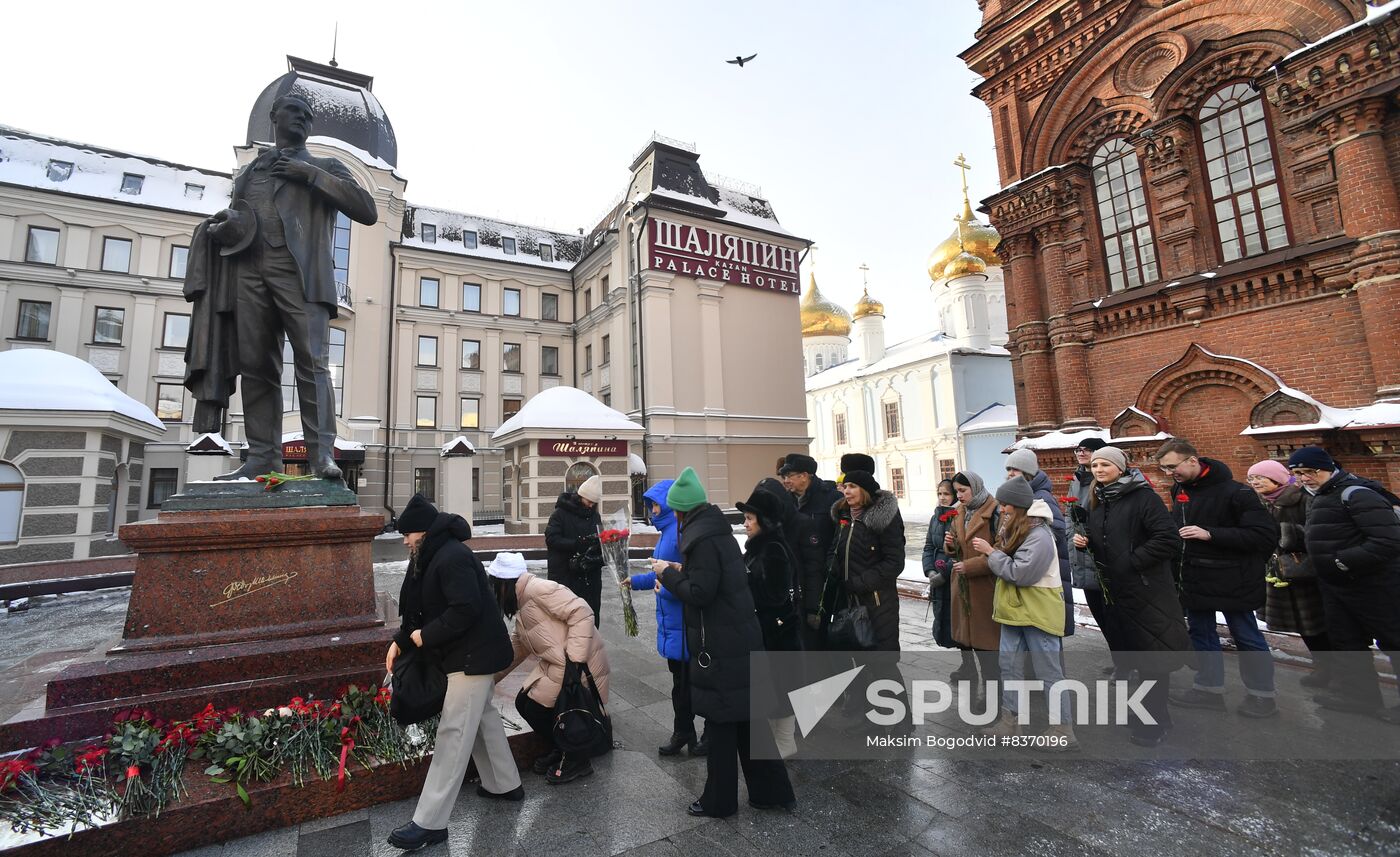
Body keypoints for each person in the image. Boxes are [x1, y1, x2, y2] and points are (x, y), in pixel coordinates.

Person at [197, 94, 379, 480]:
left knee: (312, 363)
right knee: (257, 366)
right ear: (274, 117)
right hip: (250, 272)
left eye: (307, 116)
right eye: (293, 112)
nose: (300, 119)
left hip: (301, 274)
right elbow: (242, 215)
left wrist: (310, 176)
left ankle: (321, 456)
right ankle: (262, 456)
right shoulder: (250, 172)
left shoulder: (324, 166)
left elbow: (366, 208)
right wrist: (226, 224)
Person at [653, 467, 795, 818]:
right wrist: (679, 572)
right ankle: (771, 793)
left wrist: (668, 575)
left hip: (722, 646)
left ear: (682, 511)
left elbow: (701, 593)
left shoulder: (700, 540)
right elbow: (711, 581)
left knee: (719, 725)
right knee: (749, 721)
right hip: (739, 638)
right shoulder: (715, 532)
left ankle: (719, 801)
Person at [384, 494, 519, 852]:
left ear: (423, 532)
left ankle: (429, 823)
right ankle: (504, 784)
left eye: (407, 534)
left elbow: (465, 609)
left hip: (471, 656)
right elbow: (417, 608)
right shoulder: (431, 555)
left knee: (454, 733)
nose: (404, 540)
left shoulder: (452, 557)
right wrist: (401, 640)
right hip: (465, 654)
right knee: (483, 720)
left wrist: (423, 636)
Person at [1155, 439, 1281, 718]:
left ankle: (1262, 696)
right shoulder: (1181, 489)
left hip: (1234, 578)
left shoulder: (1238, 493)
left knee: (1246, 635)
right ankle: (1208, 689)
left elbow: (1264, 536)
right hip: (1195, 577)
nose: (1169, 473)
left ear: (1192, 460)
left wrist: (1211, 533)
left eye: (1172, 466)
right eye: (1164, 468)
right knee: (1201, 634)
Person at [1073, 447, 1190, 747]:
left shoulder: (1142, 497)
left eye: (1105, 465)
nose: (1098, 469)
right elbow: (1109, 542)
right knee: (1136, 654)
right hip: (1118, 591)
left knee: (1152, 658)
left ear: (1121, 467)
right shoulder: (1100, 500)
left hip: (1147, 589)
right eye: (1095, 465)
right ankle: (1145, 711)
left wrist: (1131, 561)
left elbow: (1167, 539)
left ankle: (1156, 721)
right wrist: (1085, 542)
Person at [1287, 446, 1400, 722]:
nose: (1305, 478)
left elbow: (1388, 540)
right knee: (1347, 641)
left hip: (1374, 583)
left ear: (1328, 467)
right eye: (1298, 473)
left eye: (1310, 471)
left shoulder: (1356, 493)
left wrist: (1342, 561)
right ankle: (1359, 696)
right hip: (1337, 586)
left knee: (1394, 640)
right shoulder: (1321, 496)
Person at [489, 551, 612, 784]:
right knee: (524, 702)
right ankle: (562, 747)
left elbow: (582, 611)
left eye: (495, 586)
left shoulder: (538, 590)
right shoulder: (522, 603)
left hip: (581, 664)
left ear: (505, 583)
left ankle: (577, 758)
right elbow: (518, 647)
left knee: (535, 706)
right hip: (561, 664)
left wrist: (575, 661)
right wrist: (490, 677)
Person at [973, 479, 1076, 750]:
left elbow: (1020, 573)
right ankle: (1011, 722)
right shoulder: (1017, 527)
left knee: (1048, 672)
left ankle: (1063, 729)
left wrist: (991, 552)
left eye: (1006, 504)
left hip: (1037, 612)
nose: (1002, 509)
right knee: (1010, 668)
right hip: (1014, 611)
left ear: (1018, 506)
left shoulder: (1039, 534)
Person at [827, 453, 909, 730]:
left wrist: (861, 582)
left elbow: (894, 562)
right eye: (844, 486)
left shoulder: (881, 518)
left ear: (864, 490)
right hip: (852, 603)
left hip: (878, 601)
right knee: (861, 661)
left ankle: (901, 721)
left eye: (851, 487)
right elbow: (840, 553)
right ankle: (873, 715)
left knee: (883, 662)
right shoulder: (844, 517)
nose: (846, 491)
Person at [627, 479, 707, 757]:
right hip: (673, 621)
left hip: (684, 621)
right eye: (649, 506)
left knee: (689, 685)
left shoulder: (679, 533)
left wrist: (667, 591)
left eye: (655, 504)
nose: (651, 511)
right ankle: (686, 732)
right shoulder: (667, 532)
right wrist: (636, 581)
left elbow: (689, 579)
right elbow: (664, 573)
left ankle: (693, 733)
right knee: (681, 683)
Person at [1246, 460, 1332, 688]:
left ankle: (1337, 672)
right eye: (1251, 479)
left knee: (1319, 623)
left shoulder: (1302, 499)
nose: (1255, 482)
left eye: (1260, 478)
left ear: (1277, 478)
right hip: (1278, 572)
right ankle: (1322, 667)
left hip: (1305, 571)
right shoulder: (1259, 502)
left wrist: (1282, 532)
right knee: (1303, 626)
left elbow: (1318, 533)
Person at [737, 486, 804, 757]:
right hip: (769, 630)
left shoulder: (773, 549)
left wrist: (746, 580)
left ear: (765, 522)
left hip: (778, 632)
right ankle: (780, 738)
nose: (745, 524)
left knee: (782, 685)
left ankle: (786, 740)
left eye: (750, 519)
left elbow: (775, 596)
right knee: (776, 686)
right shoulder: (759, 547)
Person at [1004, 448, 1074, 640]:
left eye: (1015, 469)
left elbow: (1057, 534)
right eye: (1009, 468)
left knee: (1045, 638)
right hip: (1035, 575)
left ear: (1028, 472)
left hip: (1045, 578)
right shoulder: (1023, 495)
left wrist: (1023, 540)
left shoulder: (1040, 497)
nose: (1010, 473)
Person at [945, 471, 1002, 701]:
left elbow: (1002, 550)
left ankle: (995, 698)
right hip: (964, 587)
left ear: (976, 488)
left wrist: (972, 566)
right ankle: (987, 695)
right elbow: (956, 542)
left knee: (990, 650)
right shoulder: (959, 512)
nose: (958, 496)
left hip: (985, 588)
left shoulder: (995, 511)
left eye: (962, 491)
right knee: (974, 645)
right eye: (956, 491)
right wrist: (950, 545)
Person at [779, 452, 843, 643]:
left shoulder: (831, 498)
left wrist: (832, 568)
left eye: (789, 475)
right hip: (799, 578)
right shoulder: (787, 500)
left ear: (804, 476)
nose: (786, 480)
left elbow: (841, 537)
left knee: (823, 636)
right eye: (784, 476)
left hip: (825, 578)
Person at [544, 474, 604, 626]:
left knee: (589, 620)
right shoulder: (560, 514)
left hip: (589, 576)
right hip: (565, 574)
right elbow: (552, 539)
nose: (590, 505)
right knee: (565, 620)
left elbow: (600, 538)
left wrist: (603, 547)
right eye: (589, 501)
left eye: (593, 503)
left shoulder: (595, 516)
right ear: (580, 496)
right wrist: (577, 543)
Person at [922, 479, 958, 650]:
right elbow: (929, 546)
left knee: (957, 618)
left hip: (953, 576)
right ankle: (965, 664)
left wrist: (945, 574)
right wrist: (929, 571)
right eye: (940, 494)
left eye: (947, 494)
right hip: (937, 574)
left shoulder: (959, 516)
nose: (942, 498)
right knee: (942, 616)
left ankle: (968, 663)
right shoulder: (935, 517)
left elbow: (961, 551)